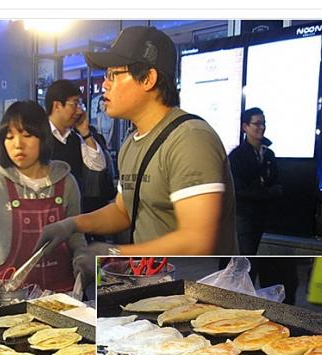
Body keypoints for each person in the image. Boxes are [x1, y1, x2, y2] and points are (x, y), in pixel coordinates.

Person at [37, 26, 238, 279]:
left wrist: (115, 253)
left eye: (113, 74)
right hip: (151, 283)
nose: (105, 84)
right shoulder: (131, 143)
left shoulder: (190, 139)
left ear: (148, 79)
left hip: (194, 287)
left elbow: (198, 242)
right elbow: (123, 211)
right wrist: (72, 224)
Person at [0, 100, 86, 292]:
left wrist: (82, 260)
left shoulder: (66, 182)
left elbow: (76, 236)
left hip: (61, 293)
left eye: (27, 135)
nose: (18, 145)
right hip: (8, 293)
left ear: (43, 137)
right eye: (9, 137)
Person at [45, 79, 108, 214]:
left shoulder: (76, 139)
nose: (79, 111)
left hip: (73, 209)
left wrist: (85, 132)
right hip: (46, 210)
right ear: (57, 106)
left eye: (80, 104)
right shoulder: (39, 137)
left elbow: (98, 165)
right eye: (75, 104)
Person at [229, 107, 282, 255]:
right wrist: (266, 193)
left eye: (263, 123)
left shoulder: (268, 154)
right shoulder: (237, 156)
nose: (262, 127)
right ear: (245, 127)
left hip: (261, 214)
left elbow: (275, 181)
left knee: (252, 252)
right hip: (243, 215)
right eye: (257, 124)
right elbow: (238, 189)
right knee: (245, 254)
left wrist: (271, 192)